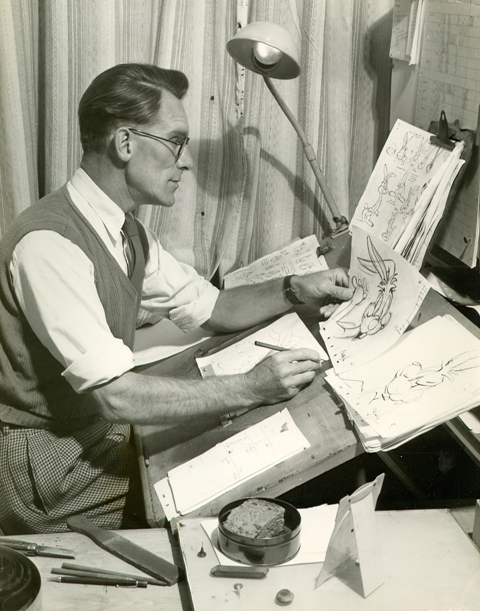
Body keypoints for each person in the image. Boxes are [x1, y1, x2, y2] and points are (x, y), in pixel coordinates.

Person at [0, 63, 353, 535]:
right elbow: (117, 396)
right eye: (176, 142)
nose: (185, 162)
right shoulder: (51, 245)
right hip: (42, 464)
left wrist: (295, 287)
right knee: (216, 472)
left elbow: (214, 307)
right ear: (125, 143)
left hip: (90, 428)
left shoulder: (125, 231)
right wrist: (251, 387)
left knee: (227, 441)